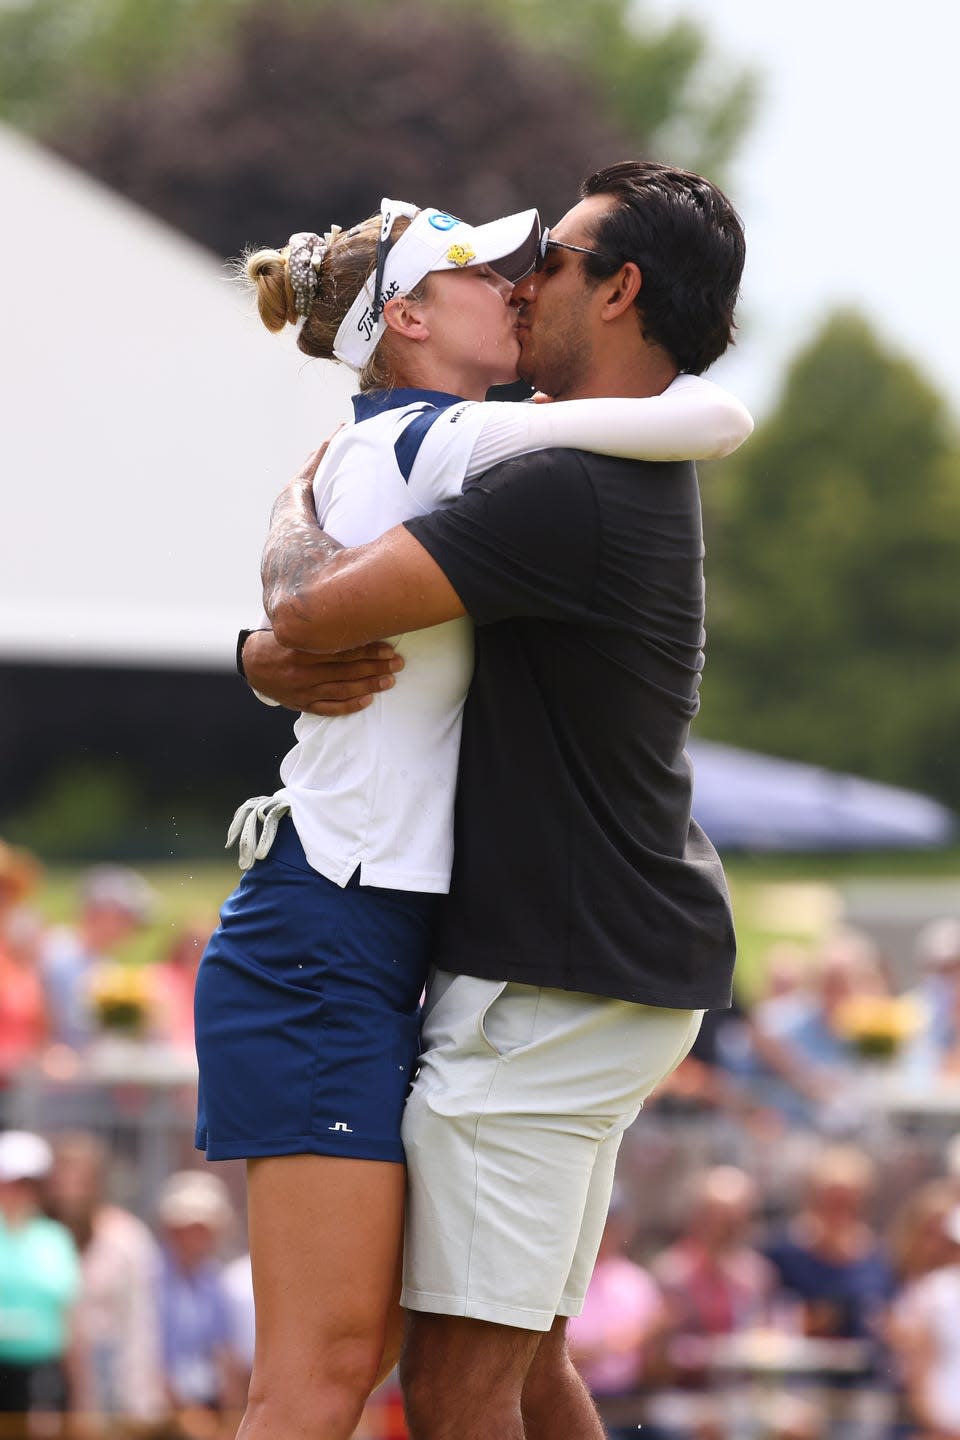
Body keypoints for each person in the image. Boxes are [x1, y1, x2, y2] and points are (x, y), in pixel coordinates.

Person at [197, 183, 752, 1440]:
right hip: (375, 936)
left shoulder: (554, 465)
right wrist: (273, 625)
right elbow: (712, 411)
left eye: (547, 259)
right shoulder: (512, 451)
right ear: (404, 320)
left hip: (509, 960)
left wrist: (282, 570)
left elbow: (308, 612)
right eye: (495, 267)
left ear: (618, 291)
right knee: (437, 1370)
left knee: (427, 1380)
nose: (519, 282)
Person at [44, 1131, 166, 1430]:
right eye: (62, 1181)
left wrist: (141, 1396)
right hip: (46, 1375)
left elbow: (141, 1319)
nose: (70, 1191)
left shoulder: (126, 1238)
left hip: (109, 1373)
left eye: (79, 1181)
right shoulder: (37, 1237)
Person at [0, 1130, 79, 1428]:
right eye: (12, 1183)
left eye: (28, 1184)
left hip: (42, 1374)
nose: (19, 1192)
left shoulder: (54, 1238)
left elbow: (68, 1313)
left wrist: (78, 1387)